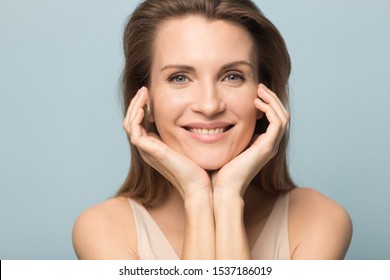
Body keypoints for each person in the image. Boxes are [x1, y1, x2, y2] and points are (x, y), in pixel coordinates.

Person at [72, 0, 352, 260]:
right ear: (145, 101)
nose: (209, 105)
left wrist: (228, 197)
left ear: (264, 97)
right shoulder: (102, 229)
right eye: (179, 77)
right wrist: (197, 196)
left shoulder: (320, 219)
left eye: (232, 76)